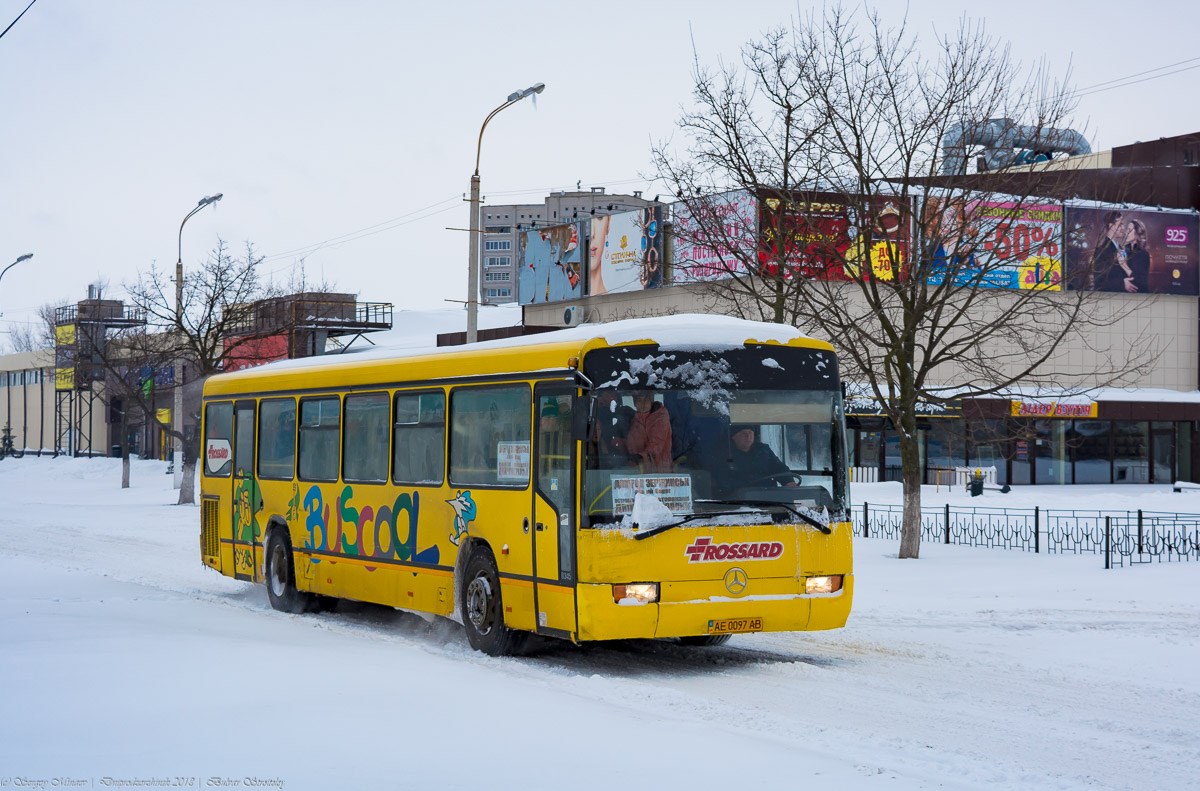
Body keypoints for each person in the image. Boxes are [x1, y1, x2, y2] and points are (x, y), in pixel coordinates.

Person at [727, 424, 795, 491]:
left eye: (750, 433)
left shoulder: (763, 450)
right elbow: (725, 480)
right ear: (734, 436)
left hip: (769, 495)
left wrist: (788, 481)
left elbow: (779, 467)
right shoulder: (727, 454)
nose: (748, 436)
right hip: (740, 498)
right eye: (743, 433)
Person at [624, 391, 672, 472]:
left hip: (658, 471)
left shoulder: (660, 416)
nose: (642, 404)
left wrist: (641, 457)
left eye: (646, 399)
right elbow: (630, 444)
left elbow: (656, 444)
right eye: (638, 400)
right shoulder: (635, 419)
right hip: (638, 470)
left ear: (651, 400)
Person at [1090, 210, 1126, 292]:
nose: (1123, 228)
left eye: (1123, 224)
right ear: (1111, 226)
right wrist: (1123, 283)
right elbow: (1100, 281)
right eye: (1120, 224)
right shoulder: (1102, 251)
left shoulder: (1121, 248)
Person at [1122, 218, 1150, 294]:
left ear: (1137, 233)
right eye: (1126, 229)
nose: (1126, 232)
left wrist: (1123, 264)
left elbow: (1137, 279)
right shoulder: (1125, 250)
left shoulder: (1143, 254)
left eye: (1129, 230)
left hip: (1140, 296)